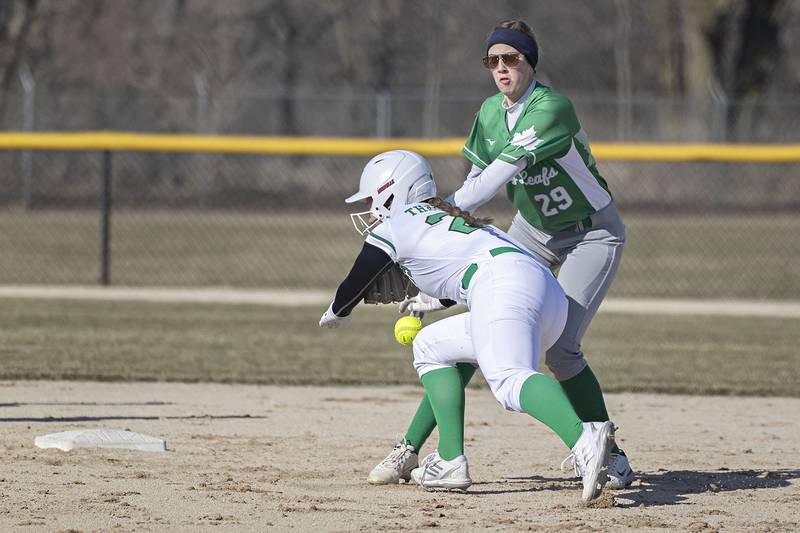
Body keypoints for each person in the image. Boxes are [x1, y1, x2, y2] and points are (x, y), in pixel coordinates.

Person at [367, 19, 635, 489]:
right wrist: (443, 278)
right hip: (530, 232)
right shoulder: (489, 113)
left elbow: (491, 181)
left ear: (530, 61)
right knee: (481, 327)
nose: (502, 68)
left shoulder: (551, 108)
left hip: (590, 233)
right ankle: (410, 450)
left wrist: (433, 215)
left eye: (512, 58)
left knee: (562, 348)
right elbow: (474, 181)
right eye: (493, 60)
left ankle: (610, 455)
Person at [319, 149, 615, 501]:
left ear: (391, 192)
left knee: (509, 380)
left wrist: (337, 311)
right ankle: (448, 460)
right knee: (430, 346)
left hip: (504, 286)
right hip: (544, 293)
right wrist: (430, 300)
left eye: (372, 200)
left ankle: (584, 437)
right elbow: (469, 267)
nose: (370, 210)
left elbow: (359, 276)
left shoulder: (396, 224)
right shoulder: (441, 217)